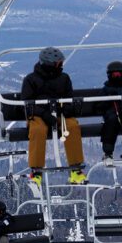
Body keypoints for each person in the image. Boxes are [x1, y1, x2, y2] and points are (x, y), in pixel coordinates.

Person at [21, 47, 87, 186]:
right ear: (50, 64)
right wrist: (45, 114)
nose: (61, 65)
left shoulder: (64, 78)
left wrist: (66, 111)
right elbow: (28, 104)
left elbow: (69, 98)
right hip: (38, 114)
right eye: (58, 63)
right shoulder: (31, 79)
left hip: (59, 113)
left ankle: (76, 170)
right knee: (38, 130)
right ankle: (36, 172)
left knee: (72, 127)